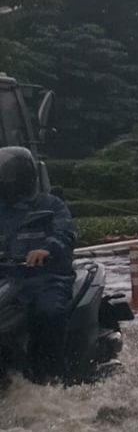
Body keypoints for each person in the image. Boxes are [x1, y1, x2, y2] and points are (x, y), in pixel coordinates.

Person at [0, 147, 75, 382]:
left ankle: (51, 375)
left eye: (8, 176)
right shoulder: (2, 211)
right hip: (8, 282)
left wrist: (46, 249)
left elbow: (65, 233)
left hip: (47, 280)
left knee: (49, 311)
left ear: (23, 176)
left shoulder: (51, 205)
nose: (4, 181)